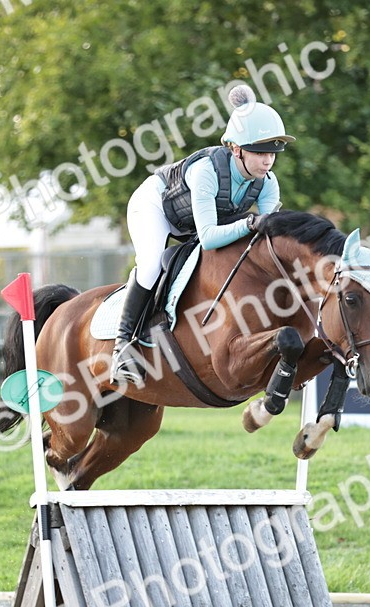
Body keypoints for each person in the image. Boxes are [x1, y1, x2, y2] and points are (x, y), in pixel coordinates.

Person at [111, 85, 293, 384]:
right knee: (151, 264)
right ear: (236, 149)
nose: (268, 161)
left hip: (193, 222)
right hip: (156, 207)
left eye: (273, 153)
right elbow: (209, 237)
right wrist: (250, 222)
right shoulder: (206, 170)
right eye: (260, 152)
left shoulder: (268, 183)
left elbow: (265, 238)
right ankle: (122, 346)